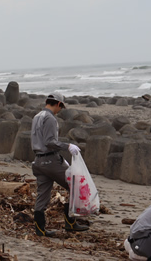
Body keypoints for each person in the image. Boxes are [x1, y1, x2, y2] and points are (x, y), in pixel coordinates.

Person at [31, 92, 89, 236]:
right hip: (51, 161)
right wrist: (67, 146)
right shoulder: (50, 118)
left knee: (42, 195)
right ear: (58, 104)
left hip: (38, 161)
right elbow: (49, 142)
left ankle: (40, 229)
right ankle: (70, 223)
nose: (60, 110)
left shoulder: (37, 116)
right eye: (61, 107)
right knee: (76, 186)